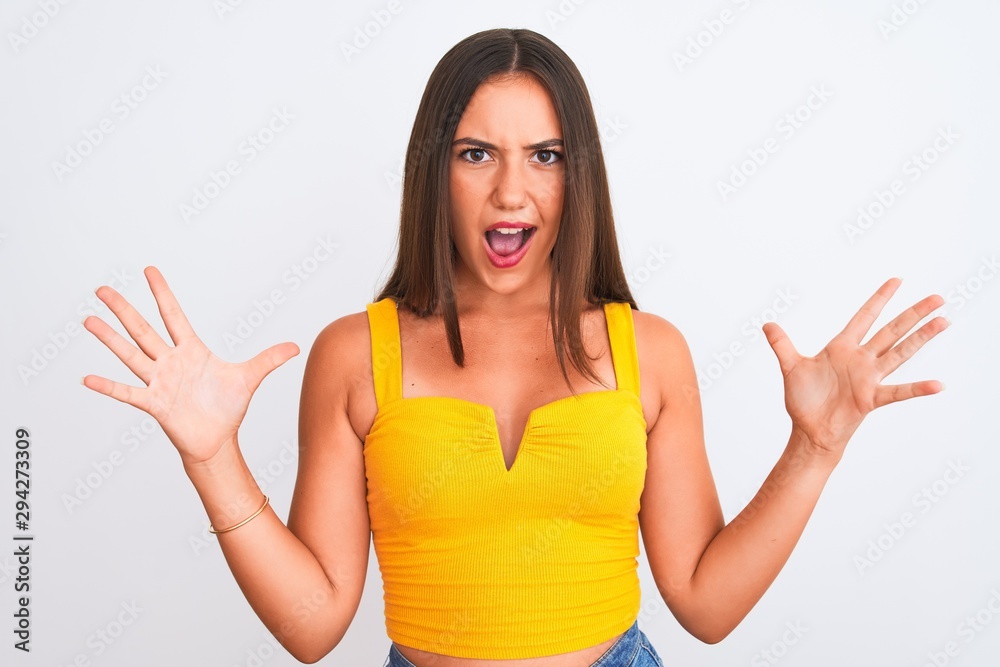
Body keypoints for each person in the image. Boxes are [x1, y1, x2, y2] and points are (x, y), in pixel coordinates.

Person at [81, 28, 948, 667]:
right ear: (435, 169)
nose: (510, 189)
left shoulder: (650, 350)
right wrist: (213, 457)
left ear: (580, 174)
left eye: (544, 154)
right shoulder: (354, 353)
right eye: (475, 153)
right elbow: (313, 625)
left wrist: (815, 447)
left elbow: (706, 603)